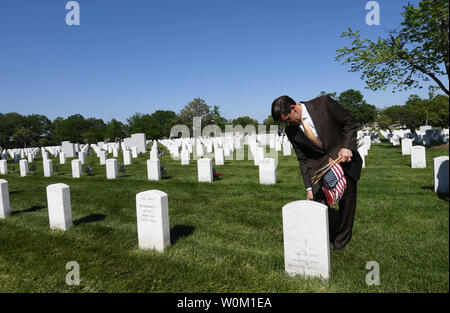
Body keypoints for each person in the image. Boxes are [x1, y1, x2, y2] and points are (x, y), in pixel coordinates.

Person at [271, 95, 362, 250]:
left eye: (287, 119)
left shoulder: (324, 104)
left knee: (347, 204)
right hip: (319, 168)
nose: (287, 124)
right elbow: (302, 159)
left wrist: (347, 146)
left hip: (344, 159)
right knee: (317, 205)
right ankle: (318, 242)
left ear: (293, 108)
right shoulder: (291, 131)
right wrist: (308, 188)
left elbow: (349, 122)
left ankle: (340, 243)